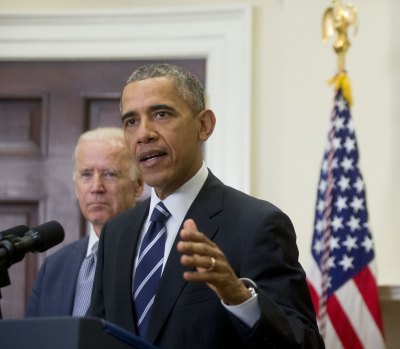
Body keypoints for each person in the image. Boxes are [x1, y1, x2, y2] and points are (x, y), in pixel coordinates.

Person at [89, 63, 323, 348]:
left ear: (204, 125)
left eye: (161, 114)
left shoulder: (257, 225)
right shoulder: (116, 233)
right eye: (131, 121)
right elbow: (97, 336)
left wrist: (240, 297)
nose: (144, 134)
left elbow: (306, 343)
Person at [25, 127, 144, 317]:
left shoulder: (152, 258)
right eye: (86, 175)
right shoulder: (53, 268)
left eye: (110, 174)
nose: (96, 187)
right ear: (76, 187)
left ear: (138, 185)